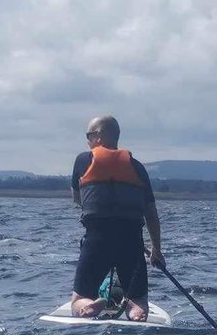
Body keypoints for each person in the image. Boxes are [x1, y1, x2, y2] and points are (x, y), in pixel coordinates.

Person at [69, 115, 164, 321]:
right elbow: (151, 214)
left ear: (99, 136)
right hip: (131, 241)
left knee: (78, 300)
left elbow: (78, 199)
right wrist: (156, 249)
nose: (87, 140)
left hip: (97, 239)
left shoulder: (83, 160)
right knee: (139, 299)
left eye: (89, 135)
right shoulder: (137, 168)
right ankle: (136, 310)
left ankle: (88, 306)